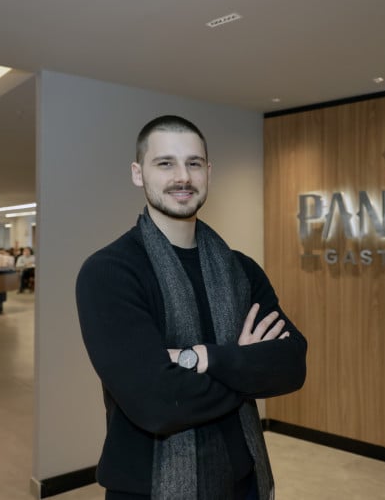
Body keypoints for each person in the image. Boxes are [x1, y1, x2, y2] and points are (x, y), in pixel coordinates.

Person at [76, 115, 307, 500]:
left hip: (246, 482)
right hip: (150, 489)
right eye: (165, 163)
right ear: (138, 173)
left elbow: (291, 366)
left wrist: (200, 358)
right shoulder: (109, 272)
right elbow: (159, 404)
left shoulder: (242, 269)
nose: (182, 176)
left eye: (194, 163)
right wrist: (243, 363)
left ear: (208, 172)